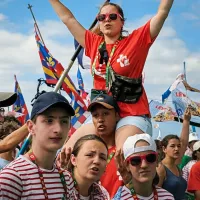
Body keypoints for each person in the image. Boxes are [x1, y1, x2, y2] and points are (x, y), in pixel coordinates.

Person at [49, 0, 174, 150]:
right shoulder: (93, 43)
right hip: (102, 114)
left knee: (123, 151)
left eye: (112, 16)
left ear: (122, 21)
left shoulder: (136, 40)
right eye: (102, 17)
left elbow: (162, 13)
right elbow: (68, 19)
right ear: (99, 23)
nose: (107, 20)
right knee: (69, 150)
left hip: (131, 114)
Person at [0, 92, 78, 199]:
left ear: (70, 127)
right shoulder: (12, 177)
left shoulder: (66, 178)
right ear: (31, 127)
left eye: (64, 121)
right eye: (49, 121)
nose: (58, 129)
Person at [60, 94, 124, 198]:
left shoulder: (124, 150)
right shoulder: (80, 149)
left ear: (117, 116)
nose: (100, 119)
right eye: (95, 115)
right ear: (73, 159)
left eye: (105, 113)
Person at [113, 133, 174, 199]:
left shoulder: (168, 197)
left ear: (157, 160)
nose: (144, 165)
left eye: (150, 158)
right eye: (136, 160)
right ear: (127, 165)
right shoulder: (120, 198)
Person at [156, 108, 191, 200]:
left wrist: (186, 121)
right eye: (172, 146)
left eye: (178, 146)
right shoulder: (160, 169)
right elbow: (156, 195)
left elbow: (183, 142)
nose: (176, 149)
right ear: (164, 149)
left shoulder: (177, 167)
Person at [69, 134, 110, 199]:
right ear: (74, 160)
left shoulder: (102, 194)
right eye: (90, 155)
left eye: (102, 157)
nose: (97, 161)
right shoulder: (60, 186)